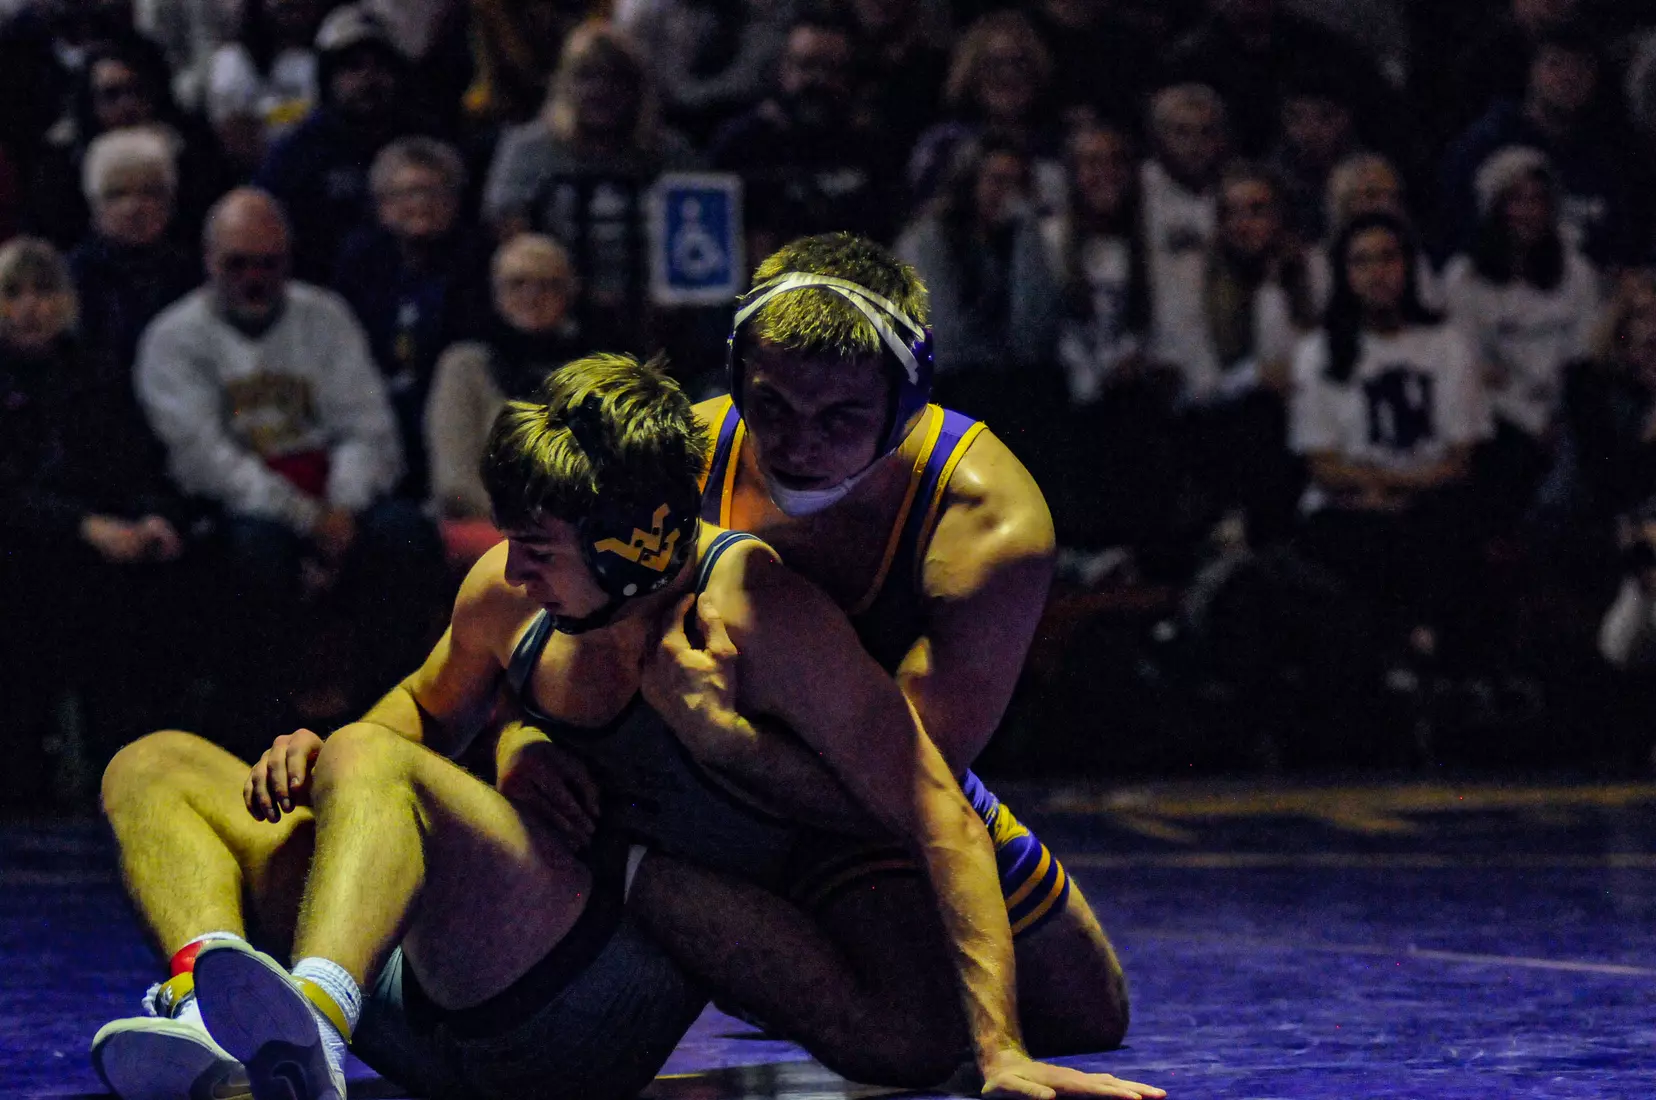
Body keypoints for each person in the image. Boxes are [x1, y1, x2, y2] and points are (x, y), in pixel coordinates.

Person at [91, 352, 1164, 1100]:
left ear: (639, 543)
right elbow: (418, 706)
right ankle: (213, 1004)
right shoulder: (514, 591)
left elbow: (935, 804)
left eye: (540, 547)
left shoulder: (756, 614)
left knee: (381, 761)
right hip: (450, 981)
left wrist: (1001, 1046)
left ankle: (310, 1022)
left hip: (586, 1008)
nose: (512, 568)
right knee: (158, 761)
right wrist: (326, 751)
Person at [631, 233, 1132, 1059]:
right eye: (774, 406)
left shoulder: (986, 524)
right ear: (736, 375)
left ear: (906, 401)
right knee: (908, 1039)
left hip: (864, 783)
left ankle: (774, 936)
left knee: (1085, 1017)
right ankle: (655, 890)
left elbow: (912, 787)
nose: (797, 444)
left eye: (839, 418)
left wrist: (724, 741)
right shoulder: (681, 461)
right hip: (694, 793)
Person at [135, 187, 442, 738]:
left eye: (268, 262)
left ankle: (384, 728)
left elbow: (369, 429)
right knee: (256, 551)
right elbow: (207, 460)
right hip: (235, 510)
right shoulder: (172, 338)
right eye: (237, 263)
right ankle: (262, 734)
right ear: (208, 260)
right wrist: (308, 520)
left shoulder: (325, 317)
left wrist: (340, 512)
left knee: (407, 536)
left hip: (333, 499)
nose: (253, 277)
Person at [1289, 211, 1492, 674]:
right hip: (1349, 508)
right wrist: (1381, 490)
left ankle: (1443, 667)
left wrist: (1397, 489)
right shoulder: (1317, 353)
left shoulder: (1448, 344)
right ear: (1344, 274)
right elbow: (1322, 465)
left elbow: (1462, 458)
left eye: (1387, 258)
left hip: (1429, 500)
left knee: (1453, 521)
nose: (1377, 273)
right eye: (1362, 262)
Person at [1442, 146, 1601, 529]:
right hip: (1502, 414)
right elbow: (1473, 370)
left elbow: (1583, 357)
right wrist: (1530, 420)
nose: (1528, 212)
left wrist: (1555, 416)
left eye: (1537, 200)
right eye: (1515, 200)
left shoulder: (1577, 272)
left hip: (1567, 407)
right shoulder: (1465, 279)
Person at [333, 135, 488, 500]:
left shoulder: (478, 259)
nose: (420, 204)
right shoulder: (358, 260)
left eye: (433, 192)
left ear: (454, 202)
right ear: (382, 205)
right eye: (406, 193)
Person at [426, 233, 587, 562]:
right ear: (495, 292)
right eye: (517, 284)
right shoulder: (464, 365)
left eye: (548, 284)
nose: (532, 295)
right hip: (489, 523)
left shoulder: (595, 367)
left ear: (570, 292)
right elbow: (454, 483)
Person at [69, 126, 199, 374]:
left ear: (170, 202)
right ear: (93, 204)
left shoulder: (192, 274)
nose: (134, 207)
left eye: (149, 192)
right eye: (117, 194)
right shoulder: (74, 279)